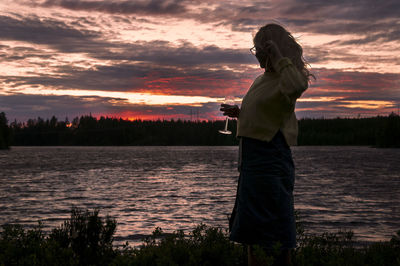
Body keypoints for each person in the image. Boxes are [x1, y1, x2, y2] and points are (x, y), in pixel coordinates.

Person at [220, 23, 314, 266]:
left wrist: (279, 57)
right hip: (252, 164)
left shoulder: (288, 76)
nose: (257, 55)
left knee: (277, 238)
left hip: (270, 162)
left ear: (272, 48)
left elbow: (297, 86)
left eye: (260, 49)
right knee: (253, 234)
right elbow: (267, 114)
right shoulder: (263, 80)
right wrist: (241, 114)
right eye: (257, 50)